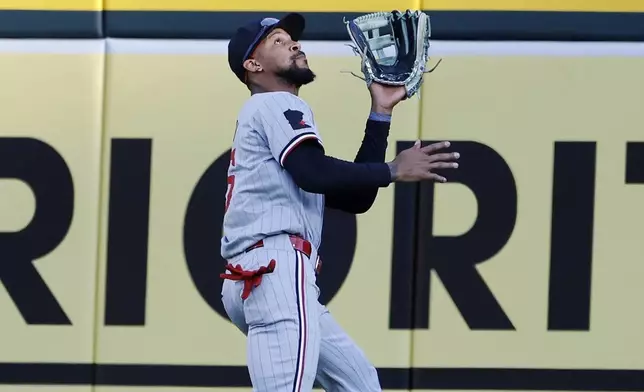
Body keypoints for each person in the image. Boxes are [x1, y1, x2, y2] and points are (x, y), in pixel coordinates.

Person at [220, 12, 460, 392]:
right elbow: (314, 172)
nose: (295, 44)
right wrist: (393, 170)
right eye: (278, 42)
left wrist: (380, 113)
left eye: (292, 39)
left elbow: (356, 197)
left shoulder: (267, 116)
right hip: (274, 270)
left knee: (360, 382)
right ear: (253, 65)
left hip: (262, 273)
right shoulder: (274, 104)